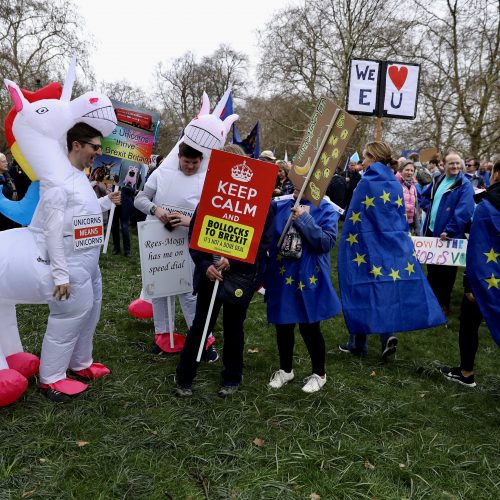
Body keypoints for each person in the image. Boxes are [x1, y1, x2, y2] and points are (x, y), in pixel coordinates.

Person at [338, 142, 445, 358]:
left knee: (363, 287)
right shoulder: (394, 183)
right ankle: (387, 334)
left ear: (373, 158)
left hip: (365, 245)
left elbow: (354, 216)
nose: (363, 162)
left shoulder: (367, 182)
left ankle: (358, 343)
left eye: (366, 157)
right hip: (390, 244)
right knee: (385, 286)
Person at [175, 206, 274, 397]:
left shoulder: (264, 204)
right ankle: (184, 377)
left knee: (234, 328)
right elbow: (195, 233)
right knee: (201, 326)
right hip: (209, 276)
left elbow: (262, 242)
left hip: (240, 278)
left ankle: (232, 378)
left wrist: (234, 260)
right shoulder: (211, 195)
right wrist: (205, 265)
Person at [134, 142, 217, 359]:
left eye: (195, 162)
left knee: (189, 292)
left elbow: (212, 215)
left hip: (188, 243)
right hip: (159, 240)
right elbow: (139, 199)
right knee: (160, 290)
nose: (190, 166)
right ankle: (163, 336)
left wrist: (190, 221)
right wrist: (155, 209)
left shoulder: (208, 178)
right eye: (186, 161)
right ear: (178, 157)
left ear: (202, 160)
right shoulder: (162, 173)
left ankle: (203, 340)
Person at [265, 189, 341, 393]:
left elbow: (326, 243)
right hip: (282, 275)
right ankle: (285, 370)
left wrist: (305, 218)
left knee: (310, 326)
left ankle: (319, 374)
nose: (300, 186)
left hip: (309, 277)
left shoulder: (326, 208)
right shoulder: (278, 204)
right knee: (283, 324)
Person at [440, 161, 500, 387]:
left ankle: (466, 373)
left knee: (469, 323)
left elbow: (477, 250)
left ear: (496, 174)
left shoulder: (486, 207)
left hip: (485, 279)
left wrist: (469, 285)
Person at [420, 152, 475, 315]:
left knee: (446, 273)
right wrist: (427, 208)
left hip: (449, 235)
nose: (455, 167)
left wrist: (449, 230)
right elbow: (424, 196)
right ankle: (431, 301)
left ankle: (443, 304)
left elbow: (464, 211)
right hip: (431, 231)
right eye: (452, 163)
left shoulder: (464, 184)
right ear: (444, 165)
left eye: (458, 163)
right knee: (432, 269)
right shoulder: (438, 180)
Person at [396, 160, 420, 235]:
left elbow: (415, 208)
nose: (409, 172)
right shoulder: (395, 184)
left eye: (411, 170)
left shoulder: (413, 187)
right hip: (397, 225)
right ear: (400, 170)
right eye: (407, 170)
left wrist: (416, 227)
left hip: (409, 226)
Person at [0, 153, 20, 231]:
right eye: (3, 161)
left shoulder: (8, 175)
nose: (6, 163)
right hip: (2, 220)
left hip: (12, 216)